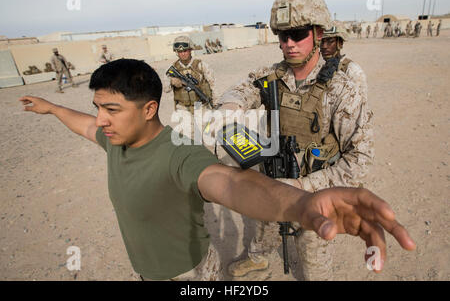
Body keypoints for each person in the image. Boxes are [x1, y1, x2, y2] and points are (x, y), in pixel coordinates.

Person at [19, 58, 415, 281]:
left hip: (186, 274)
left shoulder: (179, 154)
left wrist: (301, 203)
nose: (101, 120)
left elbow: (231, 183)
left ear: (149, 110)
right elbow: (86, 126)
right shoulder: (115, 138)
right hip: (148, 272)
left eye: (112, 110)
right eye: (99, 109)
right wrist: (53, 109)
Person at [218, 0, 375, 280]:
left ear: (318, 33)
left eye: (298, 34)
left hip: (316, 192)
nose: (289, 44)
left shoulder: (342, 89)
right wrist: (232, 105)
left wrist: (305, 184)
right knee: (264, 227)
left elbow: (360, 158)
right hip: (275, 179)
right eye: (282, 36)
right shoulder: (271, 76)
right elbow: (243, 88)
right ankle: (258, 259)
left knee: (314, 258)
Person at [165, 36, 216, 114]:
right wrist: (171, 81)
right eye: (179, 51)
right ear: (176, 52)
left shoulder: (201, 65)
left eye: (185, 51)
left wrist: (215, 103)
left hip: (199, 104)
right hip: (182, 108)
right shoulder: (173, 68)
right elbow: (166, 89)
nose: (183, 54)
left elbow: (213, 85)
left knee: (201, 125)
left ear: (190, 50)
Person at [320, 21, 368, 99]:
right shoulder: (318, 66)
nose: (324, 46)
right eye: (321, 41)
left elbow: (361, 103)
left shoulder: (352, 70)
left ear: (340, 43)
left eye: (330, 41)